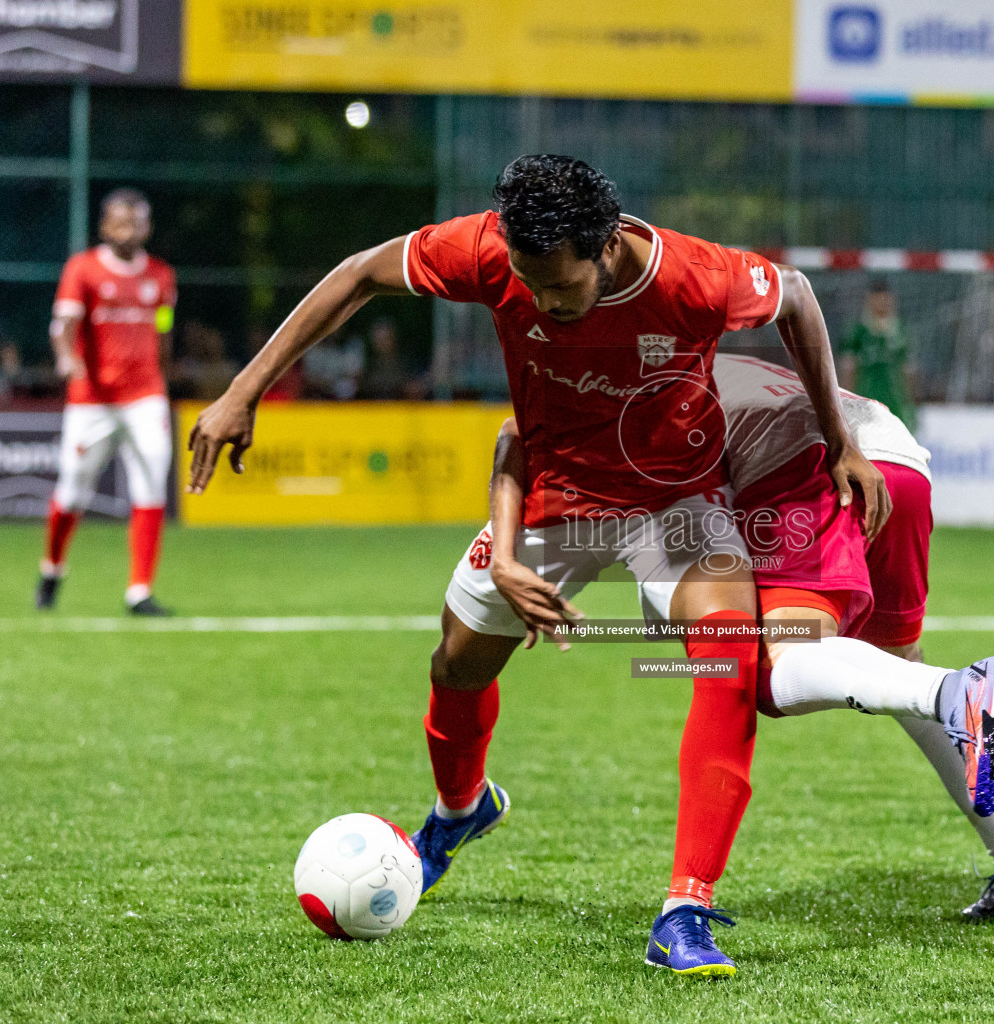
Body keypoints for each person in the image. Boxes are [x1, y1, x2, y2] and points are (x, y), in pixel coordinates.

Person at [185, 155, 891, 977]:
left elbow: (798, 297)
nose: (542, 306)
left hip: (676, 500)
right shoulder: (489, 252)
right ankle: (460, 809)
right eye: (527, 284)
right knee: (456, 662)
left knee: (727, 652)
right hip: (553, 495)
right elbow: (357, 276)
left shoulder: (696, 277)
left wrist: (839, 436)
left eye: (560, 289)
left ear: (608, 247)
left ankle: (686, 909)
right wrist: (245, 391)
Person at [496, 352, 994, 927]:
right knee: (899, 669)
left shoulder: (608, 396)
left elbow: (542, 451)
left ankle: (957, 692)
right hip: (896, 464)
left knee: (765, 672)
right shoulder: (669, 349)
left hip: (812, 469)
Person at [37, 188, 177, 616]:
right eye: (119, 222)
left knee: (152, 482)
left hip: (145, 396)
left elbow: (164, 328)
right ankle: (53, 568)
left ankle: (140, 591)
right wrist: (66, 357)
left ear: (148, 227)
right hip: (92, 399)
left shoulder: (162, 276)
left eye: (136, 222)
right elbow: (63, 324)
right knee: (73, 490)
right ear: (104, 226)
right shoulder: (83, 269)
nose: (128, 229)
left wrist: (165, 376)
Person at [839, 278, 914, 428]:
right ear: (869, 301)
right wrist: (845, 402)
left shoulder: (901, 331)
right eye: (876, 299)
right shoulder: (858, 332)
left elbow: (908, 370)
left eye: (885, 299)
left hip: (895, 403)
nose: (881, 303)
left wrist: (910, 403)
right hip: (865, 402)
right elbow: (848, 369)